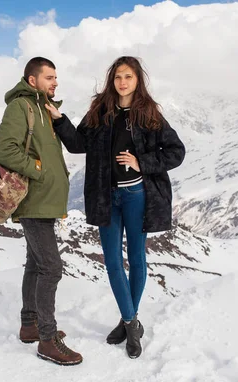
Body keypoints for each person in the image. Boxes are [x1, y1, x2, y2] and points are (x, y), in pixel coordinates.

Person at [45, 56, 185, 359]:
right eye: (118, 77)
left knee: (136, 258)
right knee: (111, 261)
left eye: (128, 77)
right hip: (106, 196)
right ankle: (132, 322)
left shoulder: (149, 115)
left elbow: (176, 152)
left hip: (137, 195)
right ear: (112, 80)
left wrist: (141, 162)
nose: (122, 82)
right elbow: (78, 144)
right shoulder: (100, 111)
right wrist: (59, 119)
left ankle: (126, 321)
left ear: (138, 81)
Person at [0, 57, 83, 366]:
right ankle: (47, 339)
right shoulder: (21, 107)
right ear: (33, 80)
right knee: (51, 268)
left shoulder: (44, 108)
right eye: (49, 77)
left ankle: (29, 324)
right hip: (33, 200)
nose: (55, 82)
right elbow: (4, 148)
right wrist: (38, 169)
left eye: (56, 77)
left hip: (45, 201)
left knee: (35, 264)